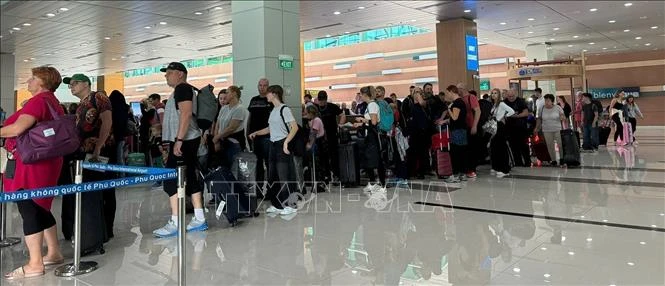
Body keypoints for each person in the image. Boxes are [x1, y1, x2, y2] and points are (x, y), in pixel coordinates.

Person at [1, 67, 65, 280]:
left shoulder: (39, 101)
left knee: (29, 208)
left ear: (42, 82)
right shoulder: (52, 101)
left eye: (33, 78)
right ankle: (54, 252)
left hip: (31, 164)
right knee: (41, 206)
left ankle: (35, 263)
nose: (28, 81)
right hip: (46, 162)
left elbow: (17, 129)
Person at [153, 62, 207, 237]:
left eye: (169, 73)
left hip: (185, 140)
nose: (166, 76)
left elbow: (186, 114)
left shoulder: (182, 89)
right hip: (187, 140)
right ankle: (199, 218)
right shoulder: (181, 90)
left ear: (180, 74)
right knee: (190, 176)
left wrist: (179, 140)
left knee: (171, 180)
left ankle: (176, 222)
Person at [66, 73, 116, 239]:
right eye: (70, 84)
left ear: (86, 84)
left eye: (75, 83)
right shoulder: (81, 104)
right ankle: (94, 229)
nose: (71, 86)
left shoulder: (98, 97)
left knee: (104, 189)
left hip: (101, 151)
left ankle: (106, 229)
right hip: (85, 152)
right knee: (90, 189)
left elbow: (107, 122)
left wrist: (99, 147)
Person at [248, 85, 299, 216]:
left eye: (269, 92)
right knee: (272, 176)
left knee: (284, 176)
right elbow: (270, 128)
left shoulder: (284, 109)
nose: (266, 95)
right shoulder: (273, 111)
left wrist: (286, 143)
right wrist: (256, 133)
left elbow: (294, 128)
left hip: (282, 143)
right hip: (273, 144)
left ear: (275, 94)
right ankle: (277, 204)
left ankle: (290, 205)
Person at [354, 86, 386, 192]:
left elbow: (373, 122)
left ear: (364, 94)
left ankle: (379, 184)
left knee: (374, 160)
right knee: (373, 160)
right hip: (372, 135)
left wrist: (362, 120)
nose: (360, 96)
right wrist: (360, 123)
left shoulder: (372, 105)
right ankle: (377, 183)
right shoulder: (371, 105)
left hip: (373, 136)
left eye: (361, 94)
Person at [247, 78, 273, 196]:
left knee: (269, 164)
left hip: (268, 137)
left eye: (264, 85)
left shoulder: (271, 101)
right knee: (257, 165)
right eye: (260, 85)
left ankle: (270, 190)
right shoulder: (253, 100)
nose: (262, 87)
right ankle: (258, 190)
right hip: (254, 137)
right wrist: (247, 133)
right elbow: (249, 117)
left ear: (268, 87)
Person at [212, 85, 246, 168]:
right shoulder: (224, 108)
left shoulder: (239, 108)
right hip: (223, 141)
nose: (225, 95)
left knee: (233, 168)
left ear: (234, 94)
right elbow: (218, 124)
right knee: (223, 166)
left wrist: (217, 138)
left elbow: (231, 128)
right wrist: (216, 140)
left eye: (227, 93)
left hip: (234, 142)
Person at [442, 85, 469, 183]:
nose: (446, 95)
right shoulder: (460, 102)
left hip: (457, 131)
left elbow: (455, 118)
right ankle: (462, 173)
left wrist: (449, 108)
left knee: (455, 152)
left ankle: (455, 175)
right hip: (461, 130)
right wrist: (445, 121)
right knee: (461, 152)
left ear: (451, 92)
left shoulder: (457, 103)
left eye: (447, 93)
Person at [316, 90, 346, 179]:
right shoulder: (315, 108)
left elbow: (342, 115)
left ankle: (336, 174)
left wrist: (340, 124)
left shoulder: (332, 107)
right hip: (320, 136)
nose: (322, 102)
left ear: (326, 99)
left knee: (334, 156)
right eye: (320, 100)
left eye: (323, 100)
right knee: (322, 156)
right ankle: (326, 175)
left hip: (332, 134)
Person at [489, 89, 515, 178]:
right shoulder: (494, 105)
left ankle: (505, 169)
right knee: (495, 147)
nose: (493, 94)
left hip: (500, 127)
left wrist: (504, 116)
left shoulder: (501, 104)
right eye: (492, 93)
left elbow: (512, 111)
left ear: (499, 94)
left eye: (495, 93)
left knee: (501, 147)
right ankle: (497, 167)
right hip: (494, 126)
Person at [534, 94, 566, 166]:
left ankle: (561, 158)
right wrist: (536, 127)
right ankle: (553, 159)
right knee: (550, 145)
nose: (546, 102)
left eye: (548, 101)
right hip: (546, 129)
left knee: (560, 144)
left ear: (552, 101)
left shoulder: (558, 107)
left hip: (557, 129)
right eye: (545, 100)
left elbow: (563, 116)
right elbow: (539, 119)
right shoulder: (542, 108)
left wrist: (562, 117)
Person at [407, 88, 431, 179]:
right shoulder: (411, 104)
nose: (418, 94)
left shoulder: (423, 103)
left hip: (422, 130)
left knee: (422, 153)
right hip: (414, 131)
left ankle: (421, 172)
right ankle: (411, 172)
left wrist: (419, 96)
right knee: (412, 152)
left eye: (419, 92)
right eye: (415, 92)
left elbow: (422, 103)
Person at [457, 83, 480, 178]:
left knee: (471, 149)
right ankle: (465, 169)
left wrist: (474, 125)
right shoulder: (460, 99)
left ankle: (471, 169)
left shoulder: (471, 97)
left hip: (470, 126)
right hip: (463, 128)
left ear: (462, 89)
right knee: (464, 149)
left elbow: (478, 111)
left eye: (457, 89)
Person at [304, 105, 330, 188]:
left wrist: (310, 144)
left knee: (318, 164)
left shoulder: (316, 120)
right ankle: (320, 182)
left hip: (319, 144)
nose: (306, 115)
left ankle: (319, 183)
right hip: (320, 143)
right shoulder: (316, 119)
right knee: (319, 164)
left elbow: (314, 134)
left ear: (311, 113)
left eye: (307, 113)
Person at [504, 89, 531, 167]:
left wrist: (516, 116)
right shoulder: (505, 102)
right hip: (510, 128)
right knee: (513, 146)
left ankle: (527, 162)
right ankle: (518, 162)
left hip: (521, 127)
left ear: (515, 95)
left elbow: (526, 113)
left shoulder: (521, 101)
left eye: (512, 96)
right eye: (509, 96)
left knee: (523, 146)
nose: (511, 98)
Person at [109, 90, 129, 166]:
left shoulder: (112, 110)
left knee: (115, 157)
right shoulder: (125, 109)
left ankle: (118, 174)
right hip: (122, 136)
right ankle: (121, 174)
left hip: (113, 136)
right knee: (120, 157)